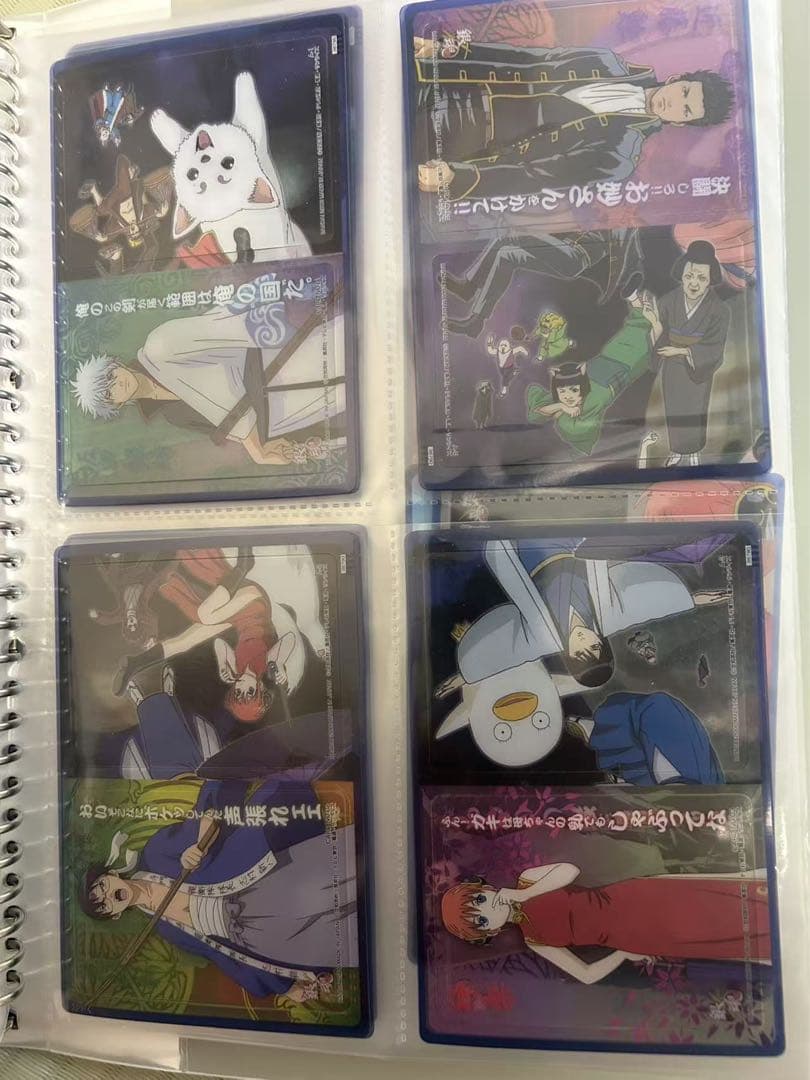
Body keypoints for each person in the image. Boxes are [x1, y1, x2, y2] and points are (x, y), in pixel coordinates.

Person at [80, 770, 358, 1004]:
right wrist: (284, 987)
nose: (109, 896)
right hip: (252, 937)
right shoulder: (162, 928)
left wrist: (196, 847)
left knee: (333, 882)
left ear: (112, 873)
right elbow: (218, 954)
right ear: (114, 914)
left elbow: (208, 818)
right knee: (336, 934)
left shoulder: (154, 853)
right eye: (104, 905)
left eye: (102, 886)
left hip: (253, 882)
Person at [413, 34, 734, 199]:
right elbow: (525, 58)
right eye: (684, 92)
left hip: (464, 145)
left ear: (681, 123)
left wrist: (460, 177)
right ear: (677, 79)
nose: (675, 103)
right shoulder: (607, 61)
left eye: (686, 110)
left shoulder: (622, 154)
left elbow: (534, 176)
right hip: (455, 84)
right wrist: (449, 51)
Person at [70, 305, 347, 467]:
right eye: (109, 393)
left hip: (274, 365)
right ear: (116, 405)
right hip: (277, 417)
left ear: (116, 363)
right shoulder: (171, 415)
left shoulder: (160, 345)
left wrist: (254, 447)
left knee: (345, 352)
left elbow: (223, 337)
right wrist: (260, 446)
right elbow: (222, 430)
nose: (117, 384)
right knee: (346, 402)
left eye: (110, 375)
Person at [441, 864, 771, 983]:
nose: (488, 907)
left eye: (479, 899)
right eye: (481, 919)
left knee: (705, 897)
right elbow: (585, 975)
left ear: (485, 888)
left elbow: (569, 871)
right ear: (489, 932)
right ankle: (767, 949)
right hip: (634, 935)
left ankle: (755, 881)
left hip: (632, 898)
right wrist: (622, 954)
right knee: (704, 936)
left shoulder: (527, 880)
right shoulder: (534, 941)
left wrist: (523, 894)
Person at [526, 288, 664, 457]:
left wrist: (561, 406)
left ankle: (637, 305)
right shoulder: (585, 410)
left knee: (632, 333)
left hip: (607, 358)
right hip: (623, 366)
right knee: (641, 337)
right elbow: (541, 416)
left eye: (572, 390)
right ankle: (639, 306)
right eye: (563, 392)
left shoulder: (571, 393)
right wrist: (562, 406)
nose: (568, 396)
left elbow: (537, 412)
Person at [442, 229, 643, 338]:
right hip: (562, 251)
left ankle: (469, 288)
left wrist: (621, 284)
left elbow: (625, 254)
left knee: (511, 233)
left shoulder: (622, 221)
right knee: (506, 256)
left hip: (574, 257)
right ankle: (476, 321)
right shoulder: (592, 207)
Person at [655, 240, 731, 466]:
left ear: (710, 280)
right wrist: (654, 327)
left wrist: (682, 351)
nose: (694, 283)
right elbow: (659, 333)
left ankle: (694, 452)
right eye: (689, 276)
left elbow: (714, 345)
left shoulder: (720, 310)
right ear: (681, 275)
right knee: (674, 410)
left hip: (697, 369)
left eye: (701, 278)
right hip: (672, 367)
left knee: (695, 410)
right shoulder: (668, 301)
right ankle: (676, 452)